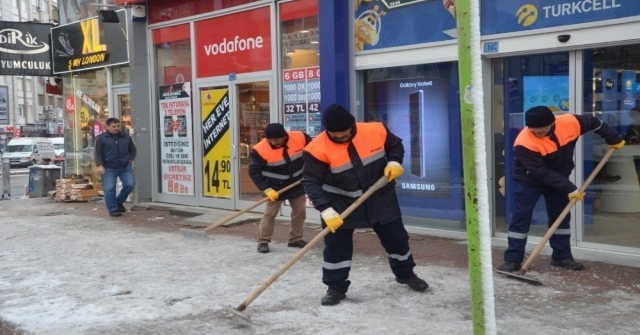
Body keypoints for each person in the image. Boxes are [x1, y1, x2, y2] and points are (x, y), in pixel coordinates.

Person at [302, 104, 429, 306]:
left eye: (346, 133)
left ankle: (406, 274)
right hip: (340, 204)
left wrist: (394, 162)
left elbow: (395, 146)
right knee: (336, 248)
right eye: (336, 135)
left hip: (380, 198)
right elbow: (310, 182)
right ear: (328, 131)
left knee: (397, 239)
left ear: (353, 125)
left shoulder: (375, 130)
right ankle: (335, 287)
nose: (342, 138)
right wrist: (326, 209)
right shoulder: (316, 149)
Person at [497, 106, 625, 273]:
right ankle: (512, 260)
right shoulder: (524, 142)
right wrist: (570, 188)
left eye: (542, 128)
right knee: (521, 217)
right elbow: (540, 171)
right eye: (534, 129)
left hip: (559, 176)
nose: (538, 132)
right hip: (529, 180)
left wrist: (613, 138)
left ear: (552, 122)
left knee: (561, 217)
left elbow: (595, 123)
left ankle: (562, 256)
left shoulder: (570, 122)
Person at [249, 123, 311, 253]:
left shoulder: (300, 137)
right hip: (274, 186)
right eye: (269, 139)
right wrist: (266, 189)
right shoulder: (259, 150)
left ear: (284, 136)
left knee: (299, 212)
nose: (272, 142)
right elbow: (254, 171)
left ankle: (295, 239)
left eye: (276, 139)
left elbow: (313, 152)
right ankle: (263, 241)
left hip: (297, 183)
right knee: (270, 214)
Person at [94, 118, 137, 217]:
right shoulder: (101, 138)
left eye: (118, 126)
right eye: (114, 126)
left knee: (130, 184)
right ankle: (113, 209)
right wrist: (99, 165)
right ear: (107, 127)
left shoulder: (125, 136)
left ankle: (118, 202)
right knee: (109, 188)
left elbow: (132, 148)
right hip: (109, 167)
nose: (116, 128)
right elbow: (97, 153)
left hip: (125, 166)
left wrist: (131, 158)